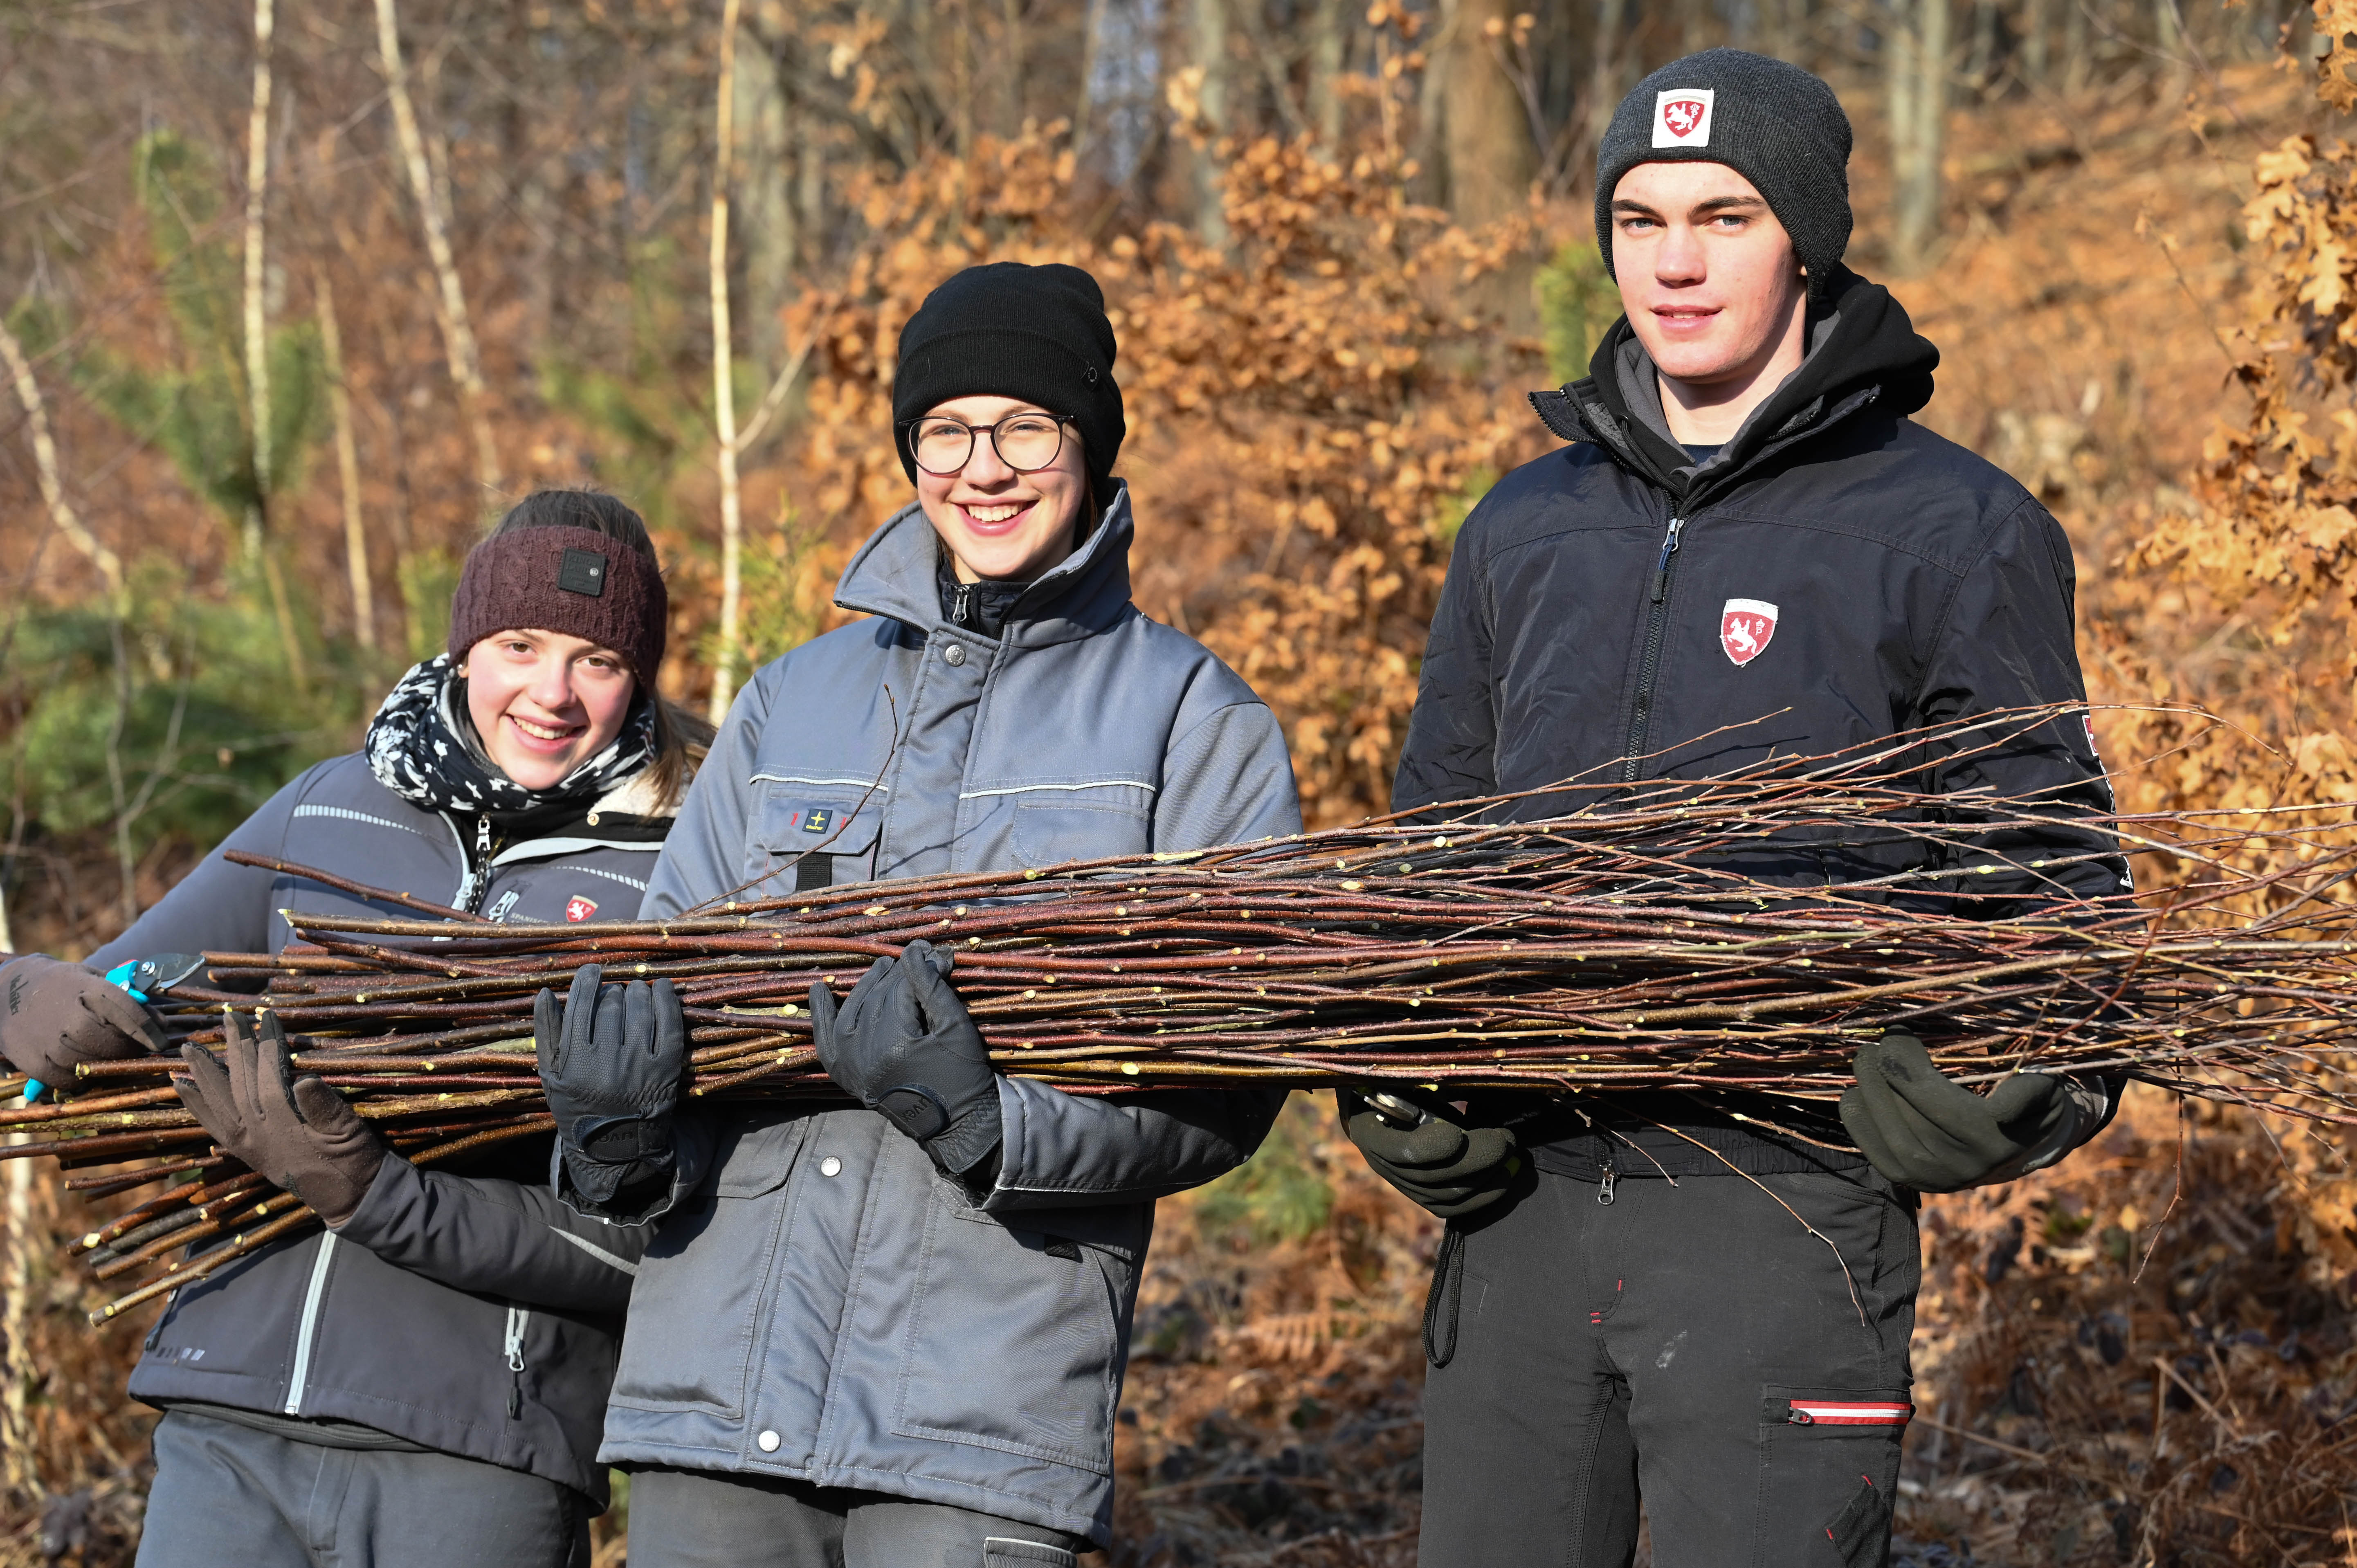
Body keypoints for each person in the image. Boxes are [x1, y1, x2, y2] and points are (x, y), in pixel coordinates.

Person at [1338, 51, 2127, 1566]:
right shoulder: (1522, 526)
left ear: (1807, 240)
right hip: (1522, 1208)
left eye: (1724, 216)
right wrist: (1389, 1078)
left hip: (1784, 1201)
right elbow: (1426, 853)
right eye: (1638, 220)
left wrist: (2018, 1083)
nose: (1674, 263)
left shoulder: (1952, 529)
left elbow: (2054, 888)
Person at [533, 261, 1301, 1566]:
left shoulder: (1191, 718)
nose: (982, 468)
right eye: (945, 430)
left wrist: (995, 1126)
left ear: (1088, 443)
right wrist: (618, 1134)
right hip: (715, 1401)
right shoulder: (791, 702)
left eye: (1024, 428)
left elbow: (1227, 1078)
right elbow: (670, 989)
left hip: (979, 1422)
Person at [0, 490, 710, 1568]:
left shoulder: (677, 880)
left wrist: (379, 1196)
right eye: (519, 645)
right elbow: (116, 1000)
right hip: (232, 1419)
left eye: (597, 660)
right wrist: (24, 993)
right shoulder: (327, 807)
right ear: (468, 644)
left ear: (639, 676)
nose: (552, 693)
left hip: (479, 1453)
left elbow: (649, 1243)